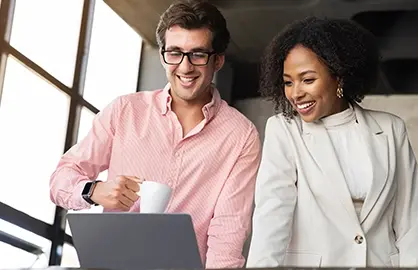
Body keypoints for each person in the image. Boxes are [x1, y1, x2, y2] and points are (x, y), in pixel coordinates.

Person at [49, 0, 261, 268]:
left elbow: (228, 234)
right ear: (163, 55)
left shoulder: (240, 135)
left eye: (198, 54)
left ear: (217, 60)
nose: (185, 67)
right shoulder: (125, 110)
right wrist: (94, 190)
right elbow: (60, 179)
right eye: (174, 53)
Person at [246, 17, 418, 268]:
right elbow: (272, 214)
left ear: (339, 78)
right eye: (288, 82)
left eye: (307, 80)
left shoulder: (391, 129)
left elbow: (410, 220)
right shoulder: (284, 130)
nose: (295, 93)